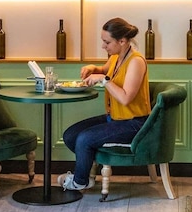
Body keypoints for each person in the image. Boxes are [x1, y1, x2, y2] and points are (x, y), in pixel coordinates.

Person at [59, 17, 151, 191]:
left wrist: (103, 79)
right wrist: (93, 68)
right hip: (115, 118)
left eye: (107, 42)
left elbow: (125, 98)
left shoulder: (136, 62)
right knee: (71, 135)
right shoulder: (117, 57)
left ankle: (80, 181)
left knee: (84, 139)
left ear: (122, 41)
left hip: (134, 123)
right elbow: (104, 70)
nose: (103, 46)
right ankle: (87, 174)